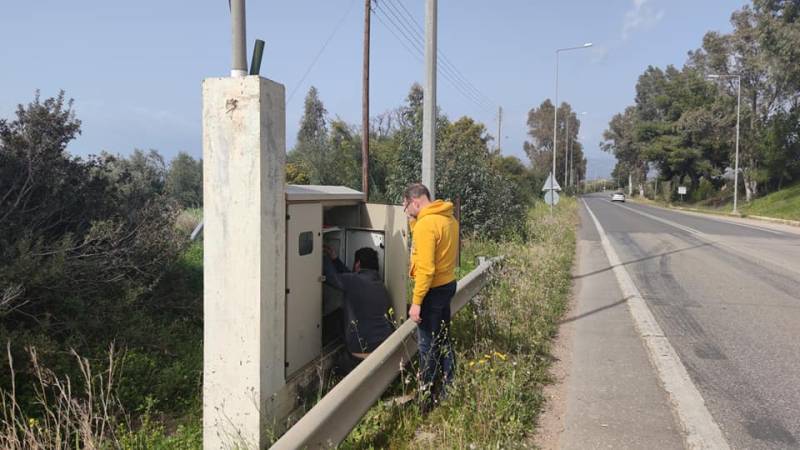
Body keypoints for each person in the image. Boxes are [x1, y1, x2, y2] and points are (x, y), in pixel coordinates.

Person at [402, 183, 459, 408]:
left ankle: (426, 398)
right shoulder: (448, 218)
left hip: (432, 291)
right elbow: (427, 245)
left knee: (427, 346)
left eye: (406, 206)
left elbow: (425, 269)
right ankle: (448, 387)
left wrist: (416, 302)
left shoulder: (426, 225)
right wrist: (413, 221)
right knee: (443, 339)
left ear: (415, 202)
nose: (406, 211)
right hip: (447, 284)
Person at [323, 245, 395, 374]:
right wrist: (335, 259)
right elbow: (351, 277)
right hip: (384, 347)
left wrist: (322, 256)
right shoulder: (380, 285)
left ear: (358, 264)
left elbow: (331, 276)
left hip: (361, 350)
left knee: (335, 316)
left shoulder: (353, 281)